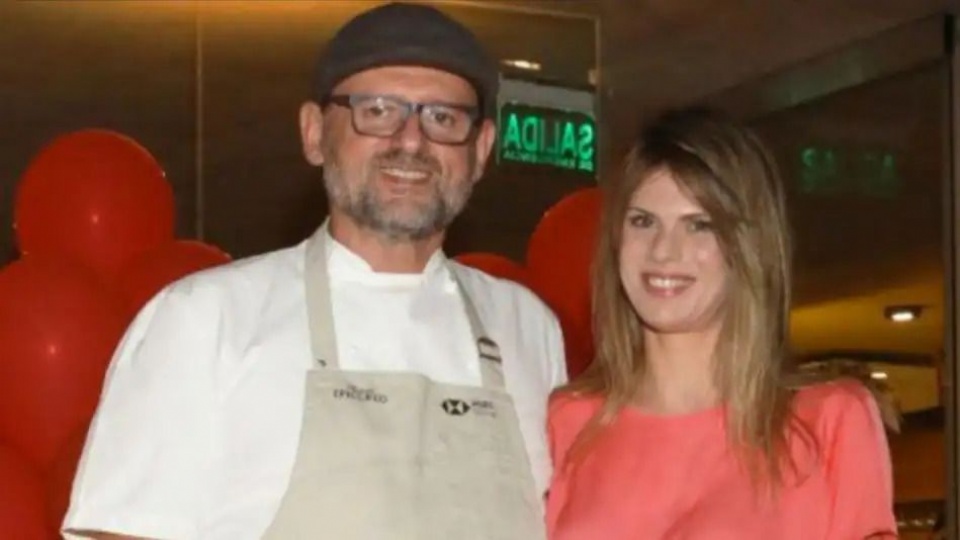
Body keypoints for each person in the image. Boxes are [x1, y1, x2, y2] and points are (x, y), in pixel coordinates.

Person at [63, 3, 566, 539]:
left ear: (481, 149)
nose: (410, 141)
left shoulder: (525, 327)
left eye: (443, 118)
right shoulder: (206, 319)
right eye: (377, 111)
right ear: (313, 133)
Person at [546, 107, 897, 539]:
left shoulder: (828, 420)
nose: (664, 251)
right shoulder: (570, 421)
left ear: (747, 246)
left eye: (699, 225)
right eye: (643, 221)